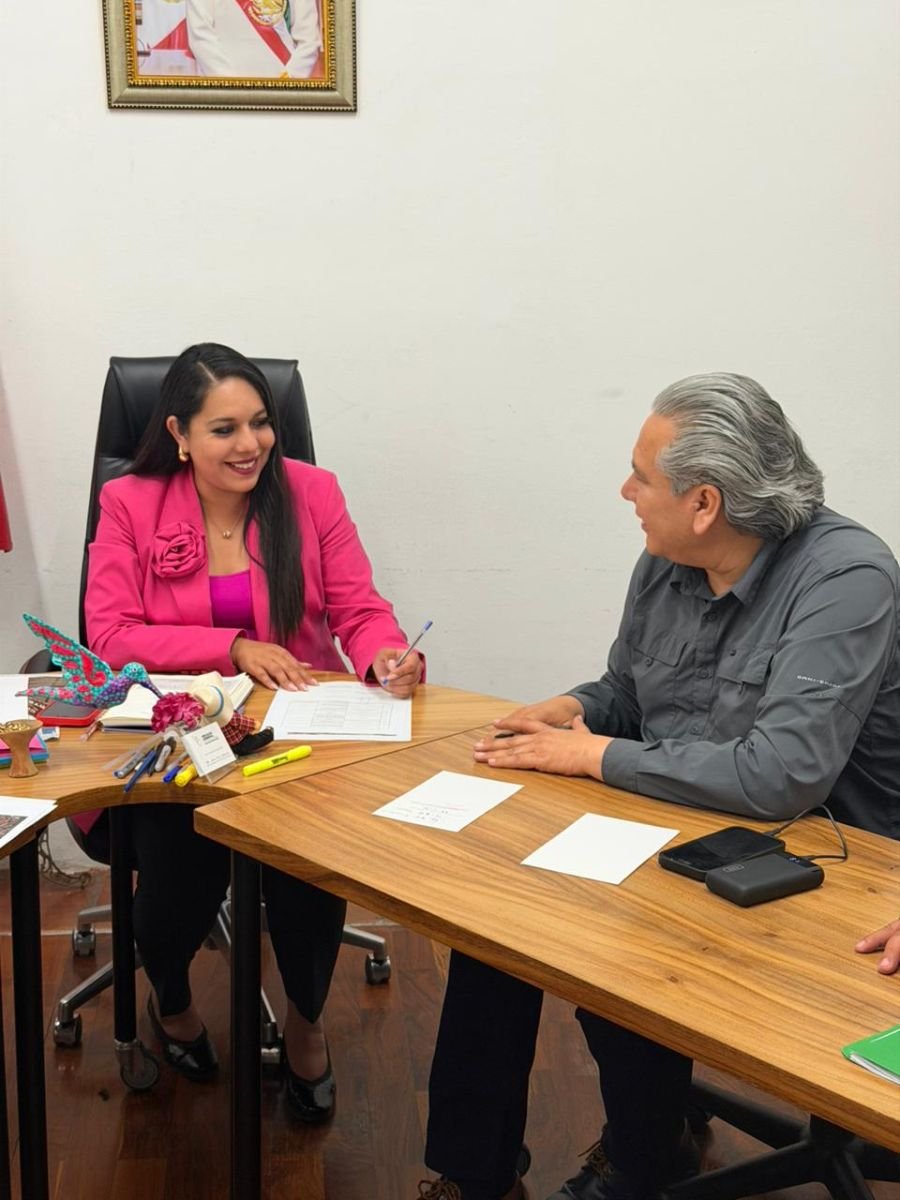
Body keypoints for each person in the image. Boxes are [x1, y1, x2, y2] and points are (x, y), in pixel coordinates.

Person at [416, 373, 900, 1200]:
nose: (626, 491)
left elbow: (780, 775)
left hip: (826, 864)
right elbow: (629, 692)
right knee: (495, 917)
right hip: (687, 822)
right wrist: (574, 709)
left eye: (642, 477)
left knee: (618, 949)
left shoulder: (846, 577)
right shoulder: (668, 559)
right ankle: (474, 1177)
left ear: (705, 503)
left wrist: (589, 755)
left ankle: (646, 1159)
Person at [86, 342, 423, 1122]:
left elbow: (360, 610)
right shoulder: (131, 501)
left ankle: (306, 1021)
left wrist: (386, 655)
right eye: (224, 429)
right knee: (176, 875)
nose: (251, 444)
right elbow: (110, 634)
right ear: (178, 434)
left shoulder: (311, 491)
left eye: (262, 423)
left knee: (309, 877)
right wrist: (231, 647)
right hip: (184, 736)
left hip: (299, 736)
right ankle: (172, 1002)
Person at [185, 0, 322, 79]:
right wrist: (230, 86)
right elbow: (200, 35)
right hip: (226, 98)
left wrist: (288, 82)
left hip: (282, 97)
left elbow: (309, 41)